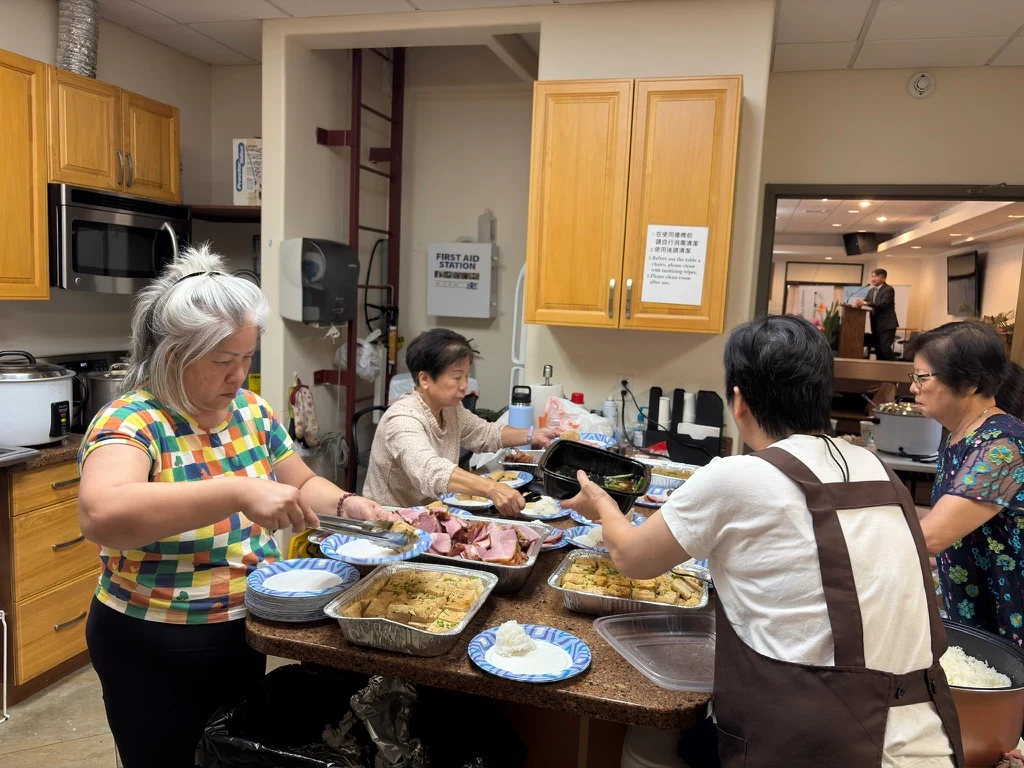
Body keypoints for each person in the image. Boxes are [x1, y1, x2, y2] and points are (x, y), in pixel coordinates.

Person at [564, 315, 962, 767]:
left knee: (651, 746)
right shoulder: (878, 469)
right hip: (931, 740)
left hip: (820, 746)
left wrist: (602, 502)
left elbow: (632, 557)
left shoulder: (738, 477)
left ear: (739, 402)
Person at [78, 245, 388, 768]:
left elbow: (300, 481)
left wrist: (347, 503)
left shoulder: (250, 411)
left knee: (225, 757)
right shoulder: (132, 420)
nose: (238, 375)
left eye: (247, 358)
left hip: (242, 626)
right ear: (173, 354)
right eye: (223, 361)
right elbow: (102, 514)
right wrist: (238, 491)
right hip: (153, 637)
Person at [909, 321, 1024, 647]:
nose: (913, 388)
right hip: (971, 609)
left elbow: (931, 537)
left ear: (970, 383)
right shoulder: (959, 435)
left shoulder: (1003, 445)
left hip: (1008, 613)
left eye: (922, 378)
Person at [363, 329, 558, 516]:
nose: (464, 385)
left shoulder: (450, 409)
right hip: (389, 522)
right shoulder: (403, 418)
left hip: (430, 515)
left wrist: (533, 435)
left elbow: (483, 433)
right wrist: (492, 488)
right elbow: (430, 471)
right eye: (457, 377)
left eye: (466, 376)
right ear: (424, 379)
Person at [855, 268, 898, 360]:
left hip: (887, 325)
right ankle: (881, 367)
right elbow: (866, 302)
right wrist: (859, 304)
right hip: (875, 325)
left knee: (885, 348)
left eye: (875, 277)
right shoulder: (871, 291)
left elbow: (882, 304)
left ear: (883, 278)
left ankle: (895, 366)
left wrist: (864, 303)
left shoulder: (888, 289)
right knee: (878, 349)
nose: (873, 279)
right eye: (872, 277)